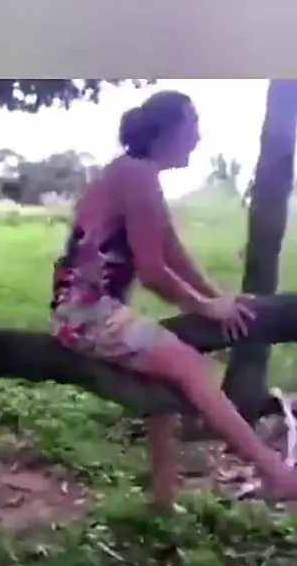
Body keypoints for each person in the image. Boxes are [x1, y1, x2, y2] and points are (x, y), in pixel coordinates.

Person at [50, 89, 297, 511]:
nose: (198, 137)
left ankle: (163, 504)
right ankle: (275, 473)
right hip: (83, 314)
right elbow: (153, 271)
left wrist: (217, 297)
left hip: (93, 310)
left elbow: (172, 252)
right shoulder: (137, 178)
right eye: (192, 125)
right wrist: (206, 307)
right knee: (189, 366)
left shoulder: (135, 173)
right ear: (167, 132)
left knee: (163, 378)